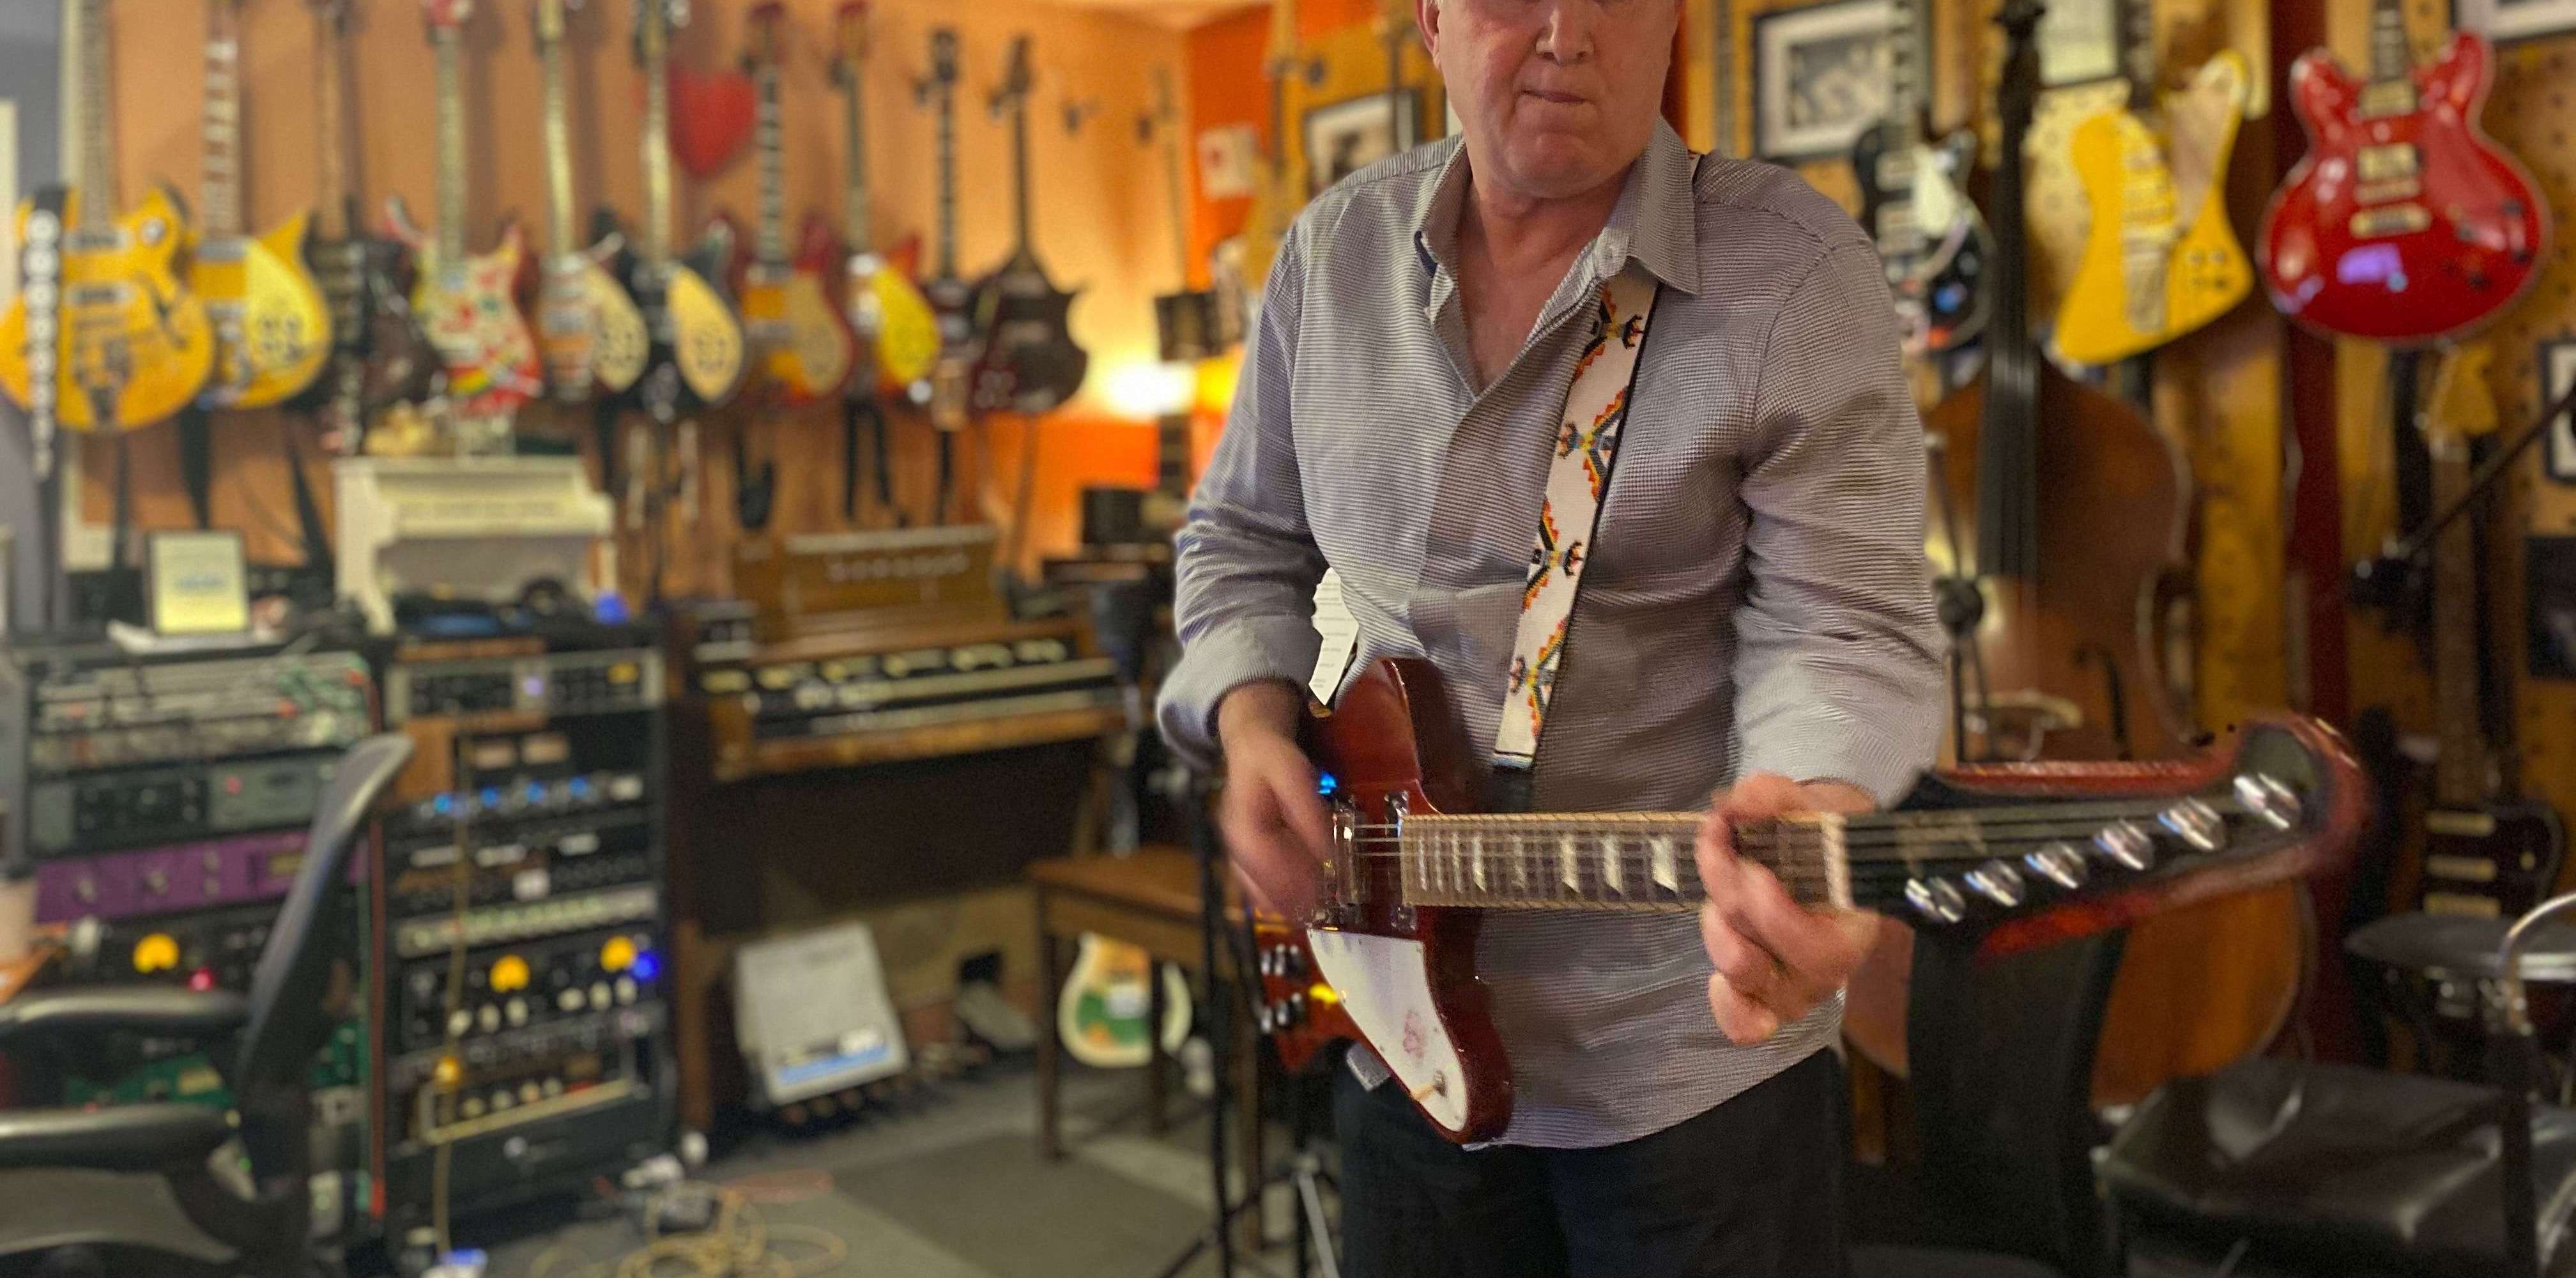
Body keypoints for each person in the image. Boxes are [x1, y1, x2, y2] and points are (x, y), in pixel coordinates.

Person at [1156, 0, 1945, 1273]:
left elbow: (1846, 623)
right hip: (1392, 1031)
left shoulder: (1800, 274)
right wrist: (1251, 724)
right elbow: (1238, 540)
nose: (1567, 31)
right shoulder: (1327, 259)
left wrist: (1815, 803)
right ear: (1428, 19)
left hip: (1689, 1065)